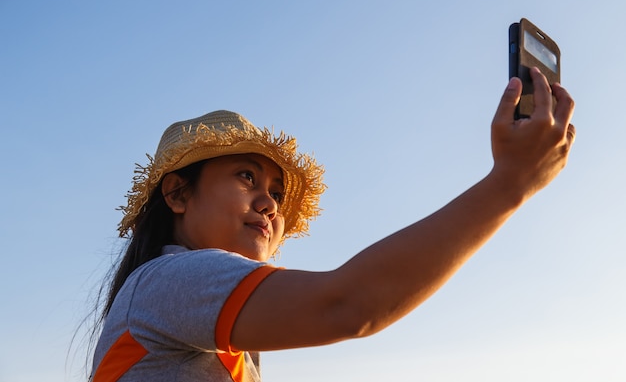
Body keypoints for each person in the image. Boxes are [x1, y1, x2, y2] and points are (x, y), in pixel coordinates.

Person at [89, 67, 575, 381]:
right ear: (177, 193)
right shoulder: (173, 280)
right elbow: (350, 304)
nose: (269, 203)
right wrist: (509, 184)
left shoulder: (220, 326)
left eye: (277, 193)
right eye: (245, 176)